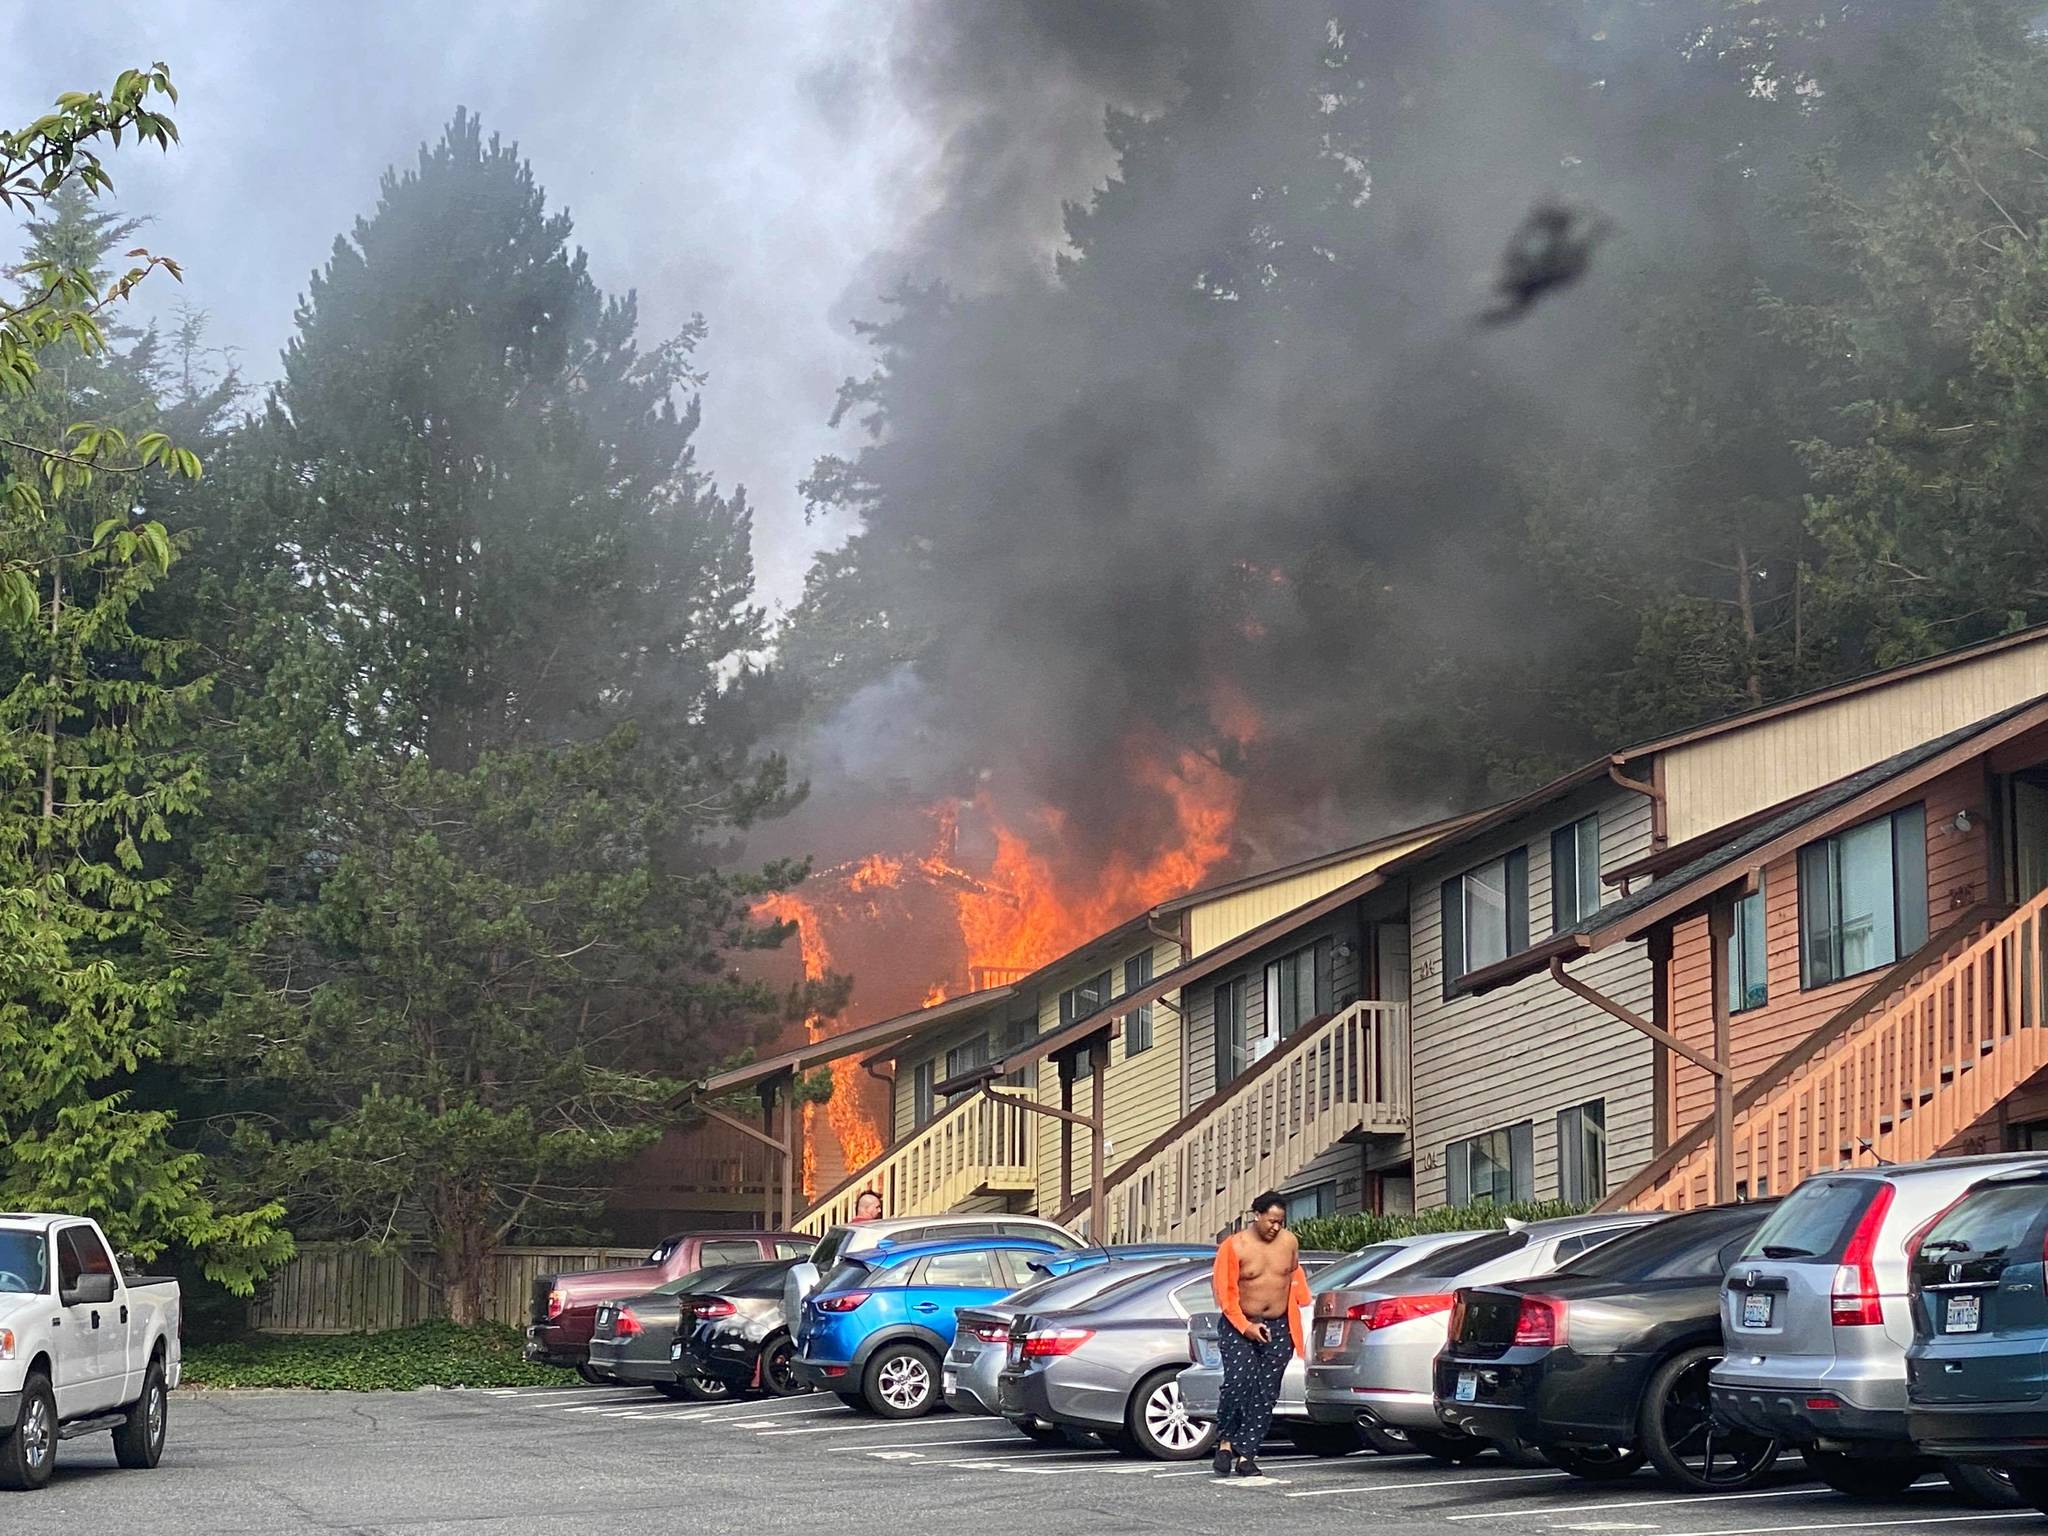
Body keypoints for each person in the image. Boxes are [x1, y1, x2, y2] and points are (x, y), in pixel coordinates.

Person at [1210, 1190, 1310, 1478]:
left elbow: (1292, 1275)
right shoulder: (1234, 1246)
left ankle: (1247, 1453)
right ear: (1257, 1215)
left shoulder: (1289, 1242)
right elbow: (1226, 1294)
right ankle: (1226, 1440)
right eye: (1271, 1220)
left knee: (1266, 1392)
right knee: (1238, 1382)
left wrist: (1303, 1302)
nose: (1276, 1227)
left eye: (1281, 1222)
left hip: (1278, 1325)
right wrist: (1246, 1327)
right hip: (1240, 1324)